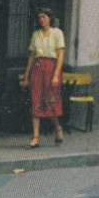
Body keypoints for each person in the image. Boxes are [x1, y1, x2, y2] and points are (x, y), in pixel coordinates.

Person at [20, 8, 66, 148]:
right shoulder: (36, 35)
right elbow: (32, 56)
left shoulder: (57, 33)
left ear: (50, 18)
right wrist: (26, 76)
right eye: (39, 17)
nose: (41, 20)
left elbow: (60, 55)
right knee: (36, 100)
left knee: (50, 101)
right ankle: (35, 137)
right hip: (38, 68)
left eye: (44, 17)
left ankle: (57, 128)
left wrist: (56, 74)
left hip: (51, 68)